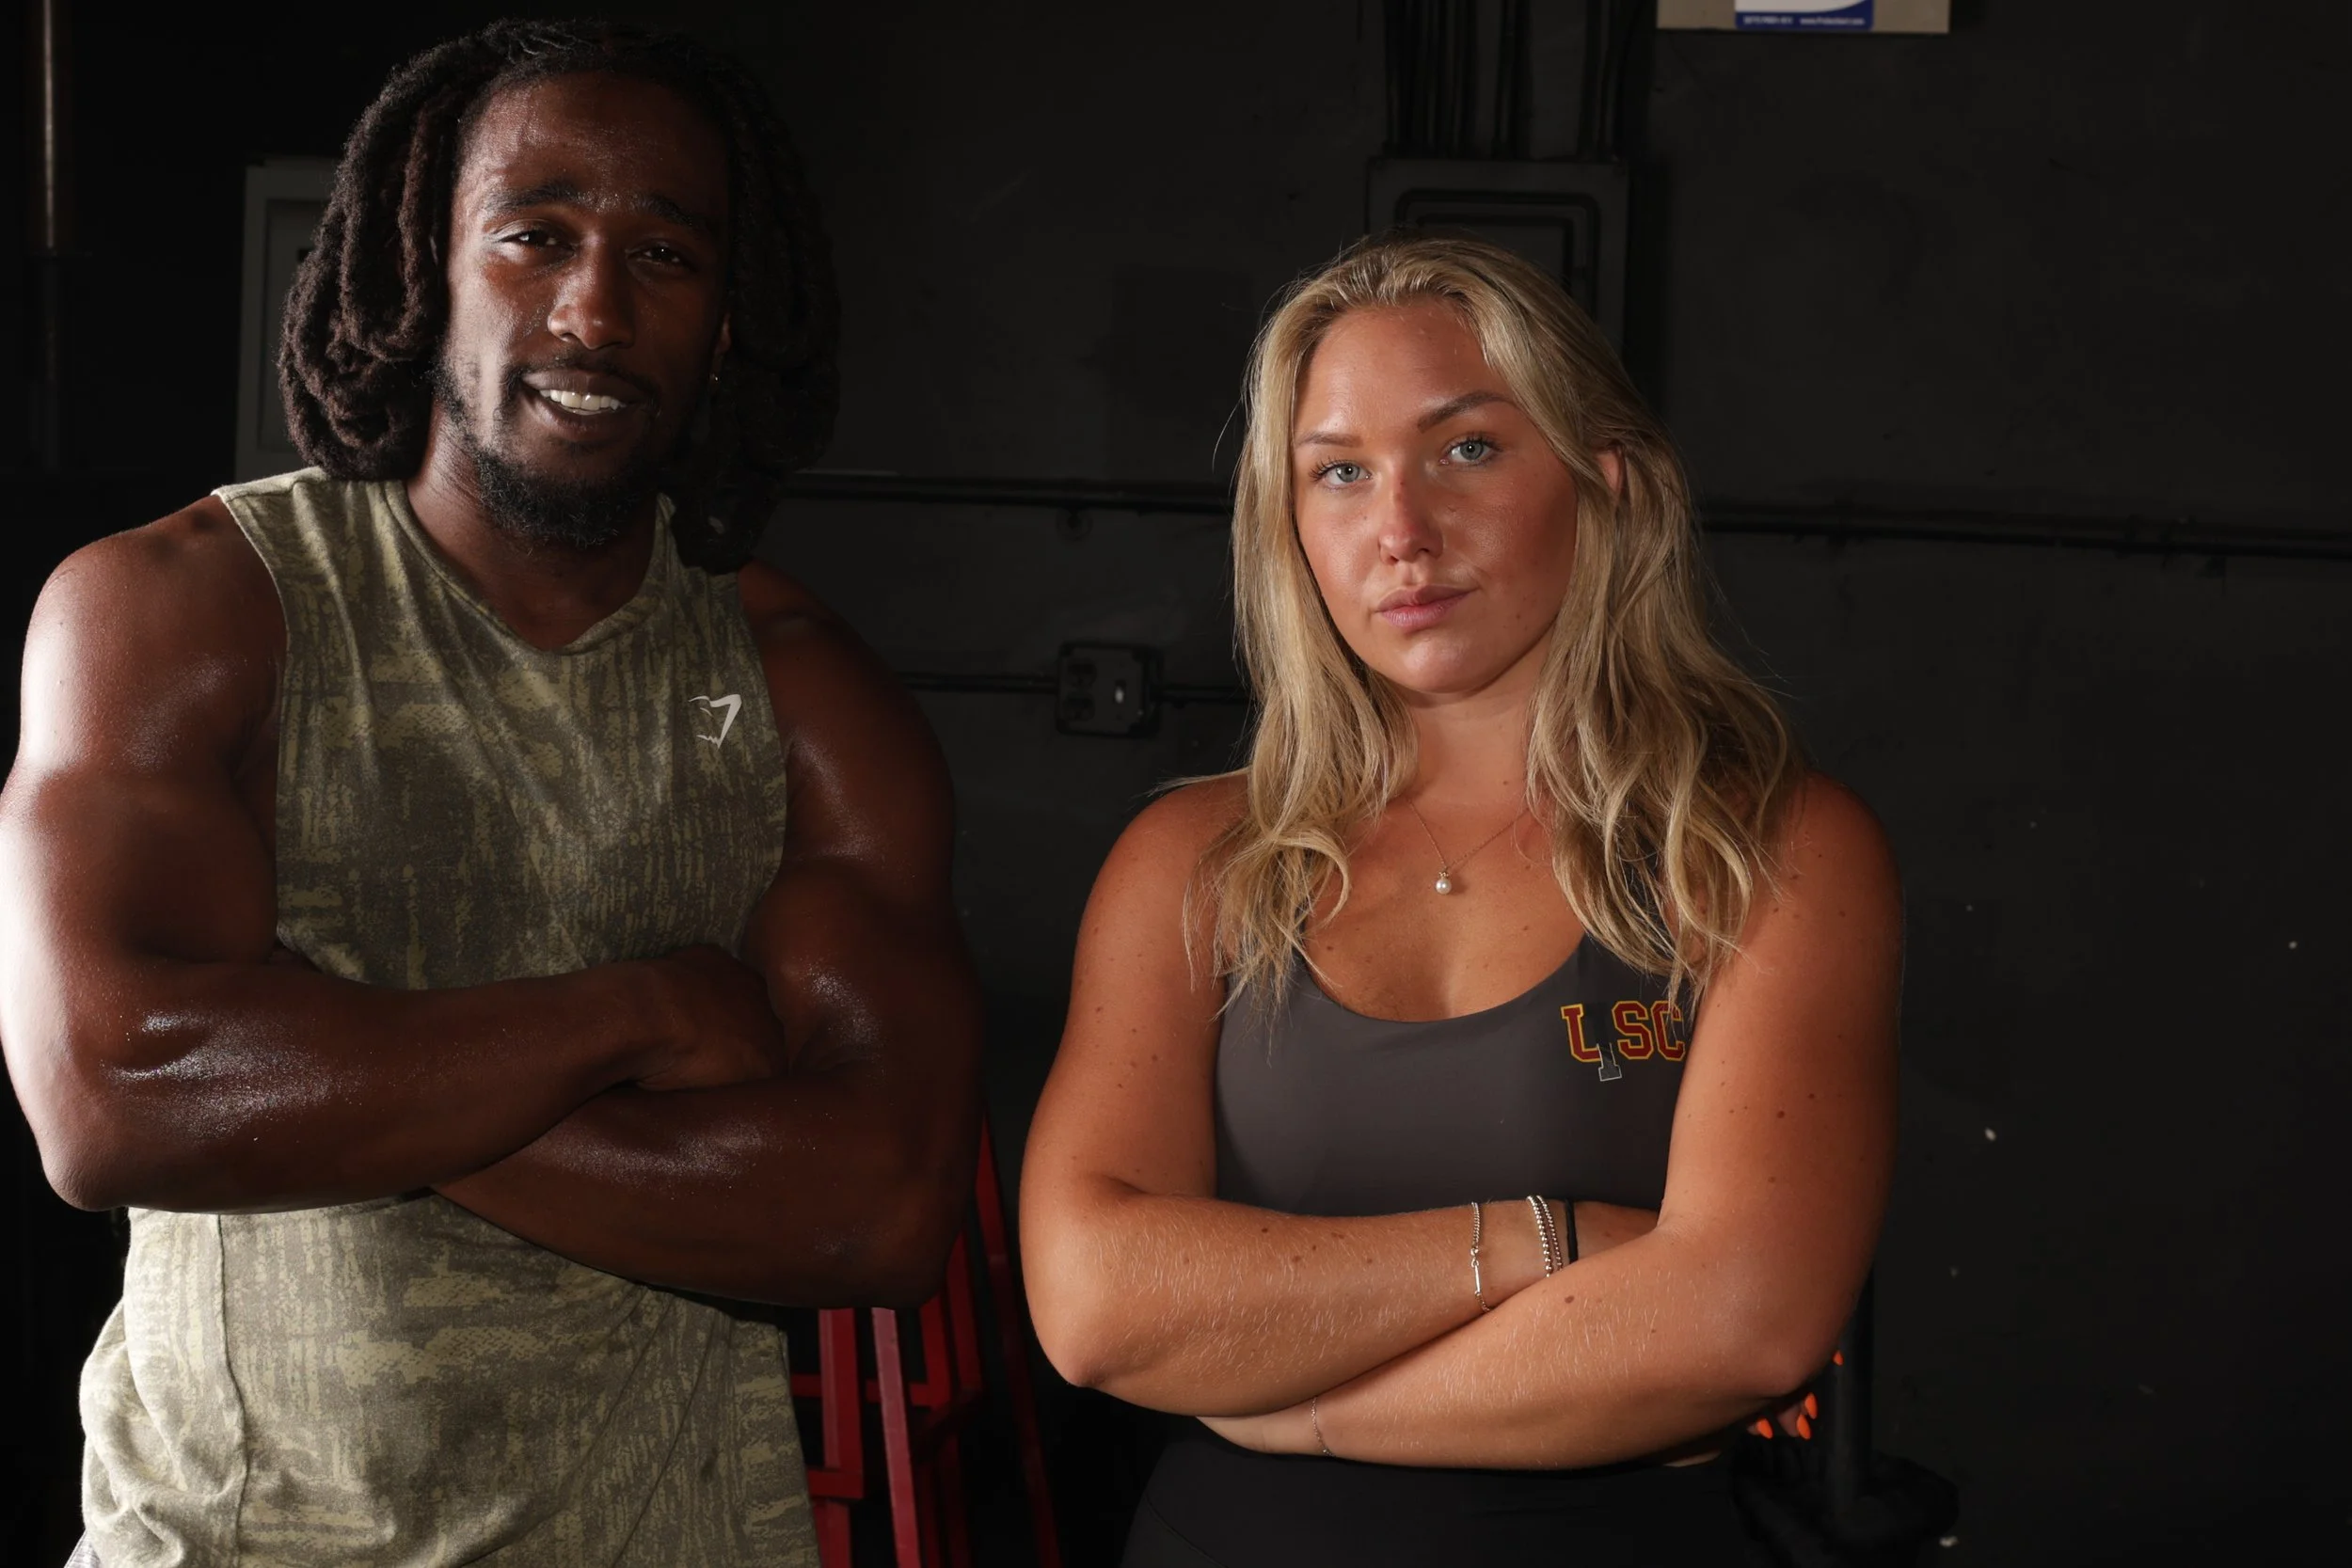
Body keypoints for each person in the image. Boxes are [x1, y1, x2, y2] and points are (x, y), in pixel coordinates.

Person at [0, 21, 981, 1568]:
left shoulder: (807, 695)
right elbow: (114, 1096)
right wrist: (642, 1014)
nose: (594, 307)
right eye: (537, 236)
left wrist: (324, 1058)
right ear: (426, 269)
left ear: (724, 323)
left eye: (665, 254)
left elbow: (878, 1205)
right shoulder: (185, 610)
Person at [1019, 233, 1901, 1567]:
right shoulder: (1192, 860)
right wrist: (1550, 1242)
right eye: (1340, 472)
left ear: (1604, 479)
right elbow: (1094, 1303)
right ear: (1290, 525)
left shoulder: (1771, 848)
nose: (1402, 531)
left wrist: (1301, 1407)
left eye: (1469, 448)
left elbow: (1744, 1320)